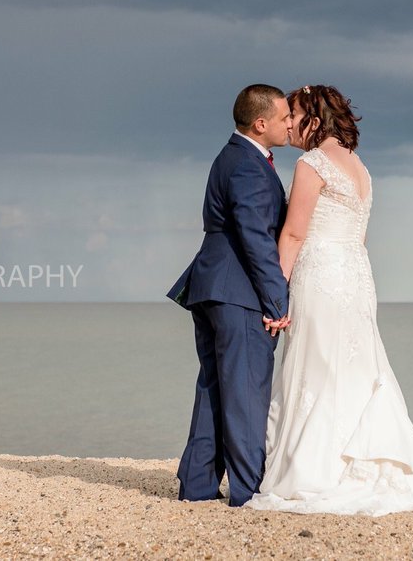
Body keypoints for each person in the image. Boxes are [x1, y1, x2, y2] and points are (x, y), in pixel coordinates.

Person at [245, 84, 413, 516]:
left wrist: (273, 294)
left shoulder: (311, 164)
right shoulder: (360, 168)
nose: (288, 123)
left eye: (293, 114)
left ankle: (318, 469)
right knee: (353, 366)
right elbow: (359, 234)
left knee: (316, 365)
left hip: (323, 273)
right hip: (355, 276)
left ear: (313, 117)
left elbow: (293, 234)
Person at [167, 83, 295, 507]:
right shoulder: (246, 165)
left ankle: (198, 487)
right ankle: (247, 491)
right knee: (244, 392)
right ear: (261, 123)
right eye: (283, 117)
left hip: (213, 286)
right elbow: (255, 237)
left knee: (214, 388)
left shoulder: (234, 156)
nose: (289, 123)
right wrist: (278, 298)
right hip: (237, 291)